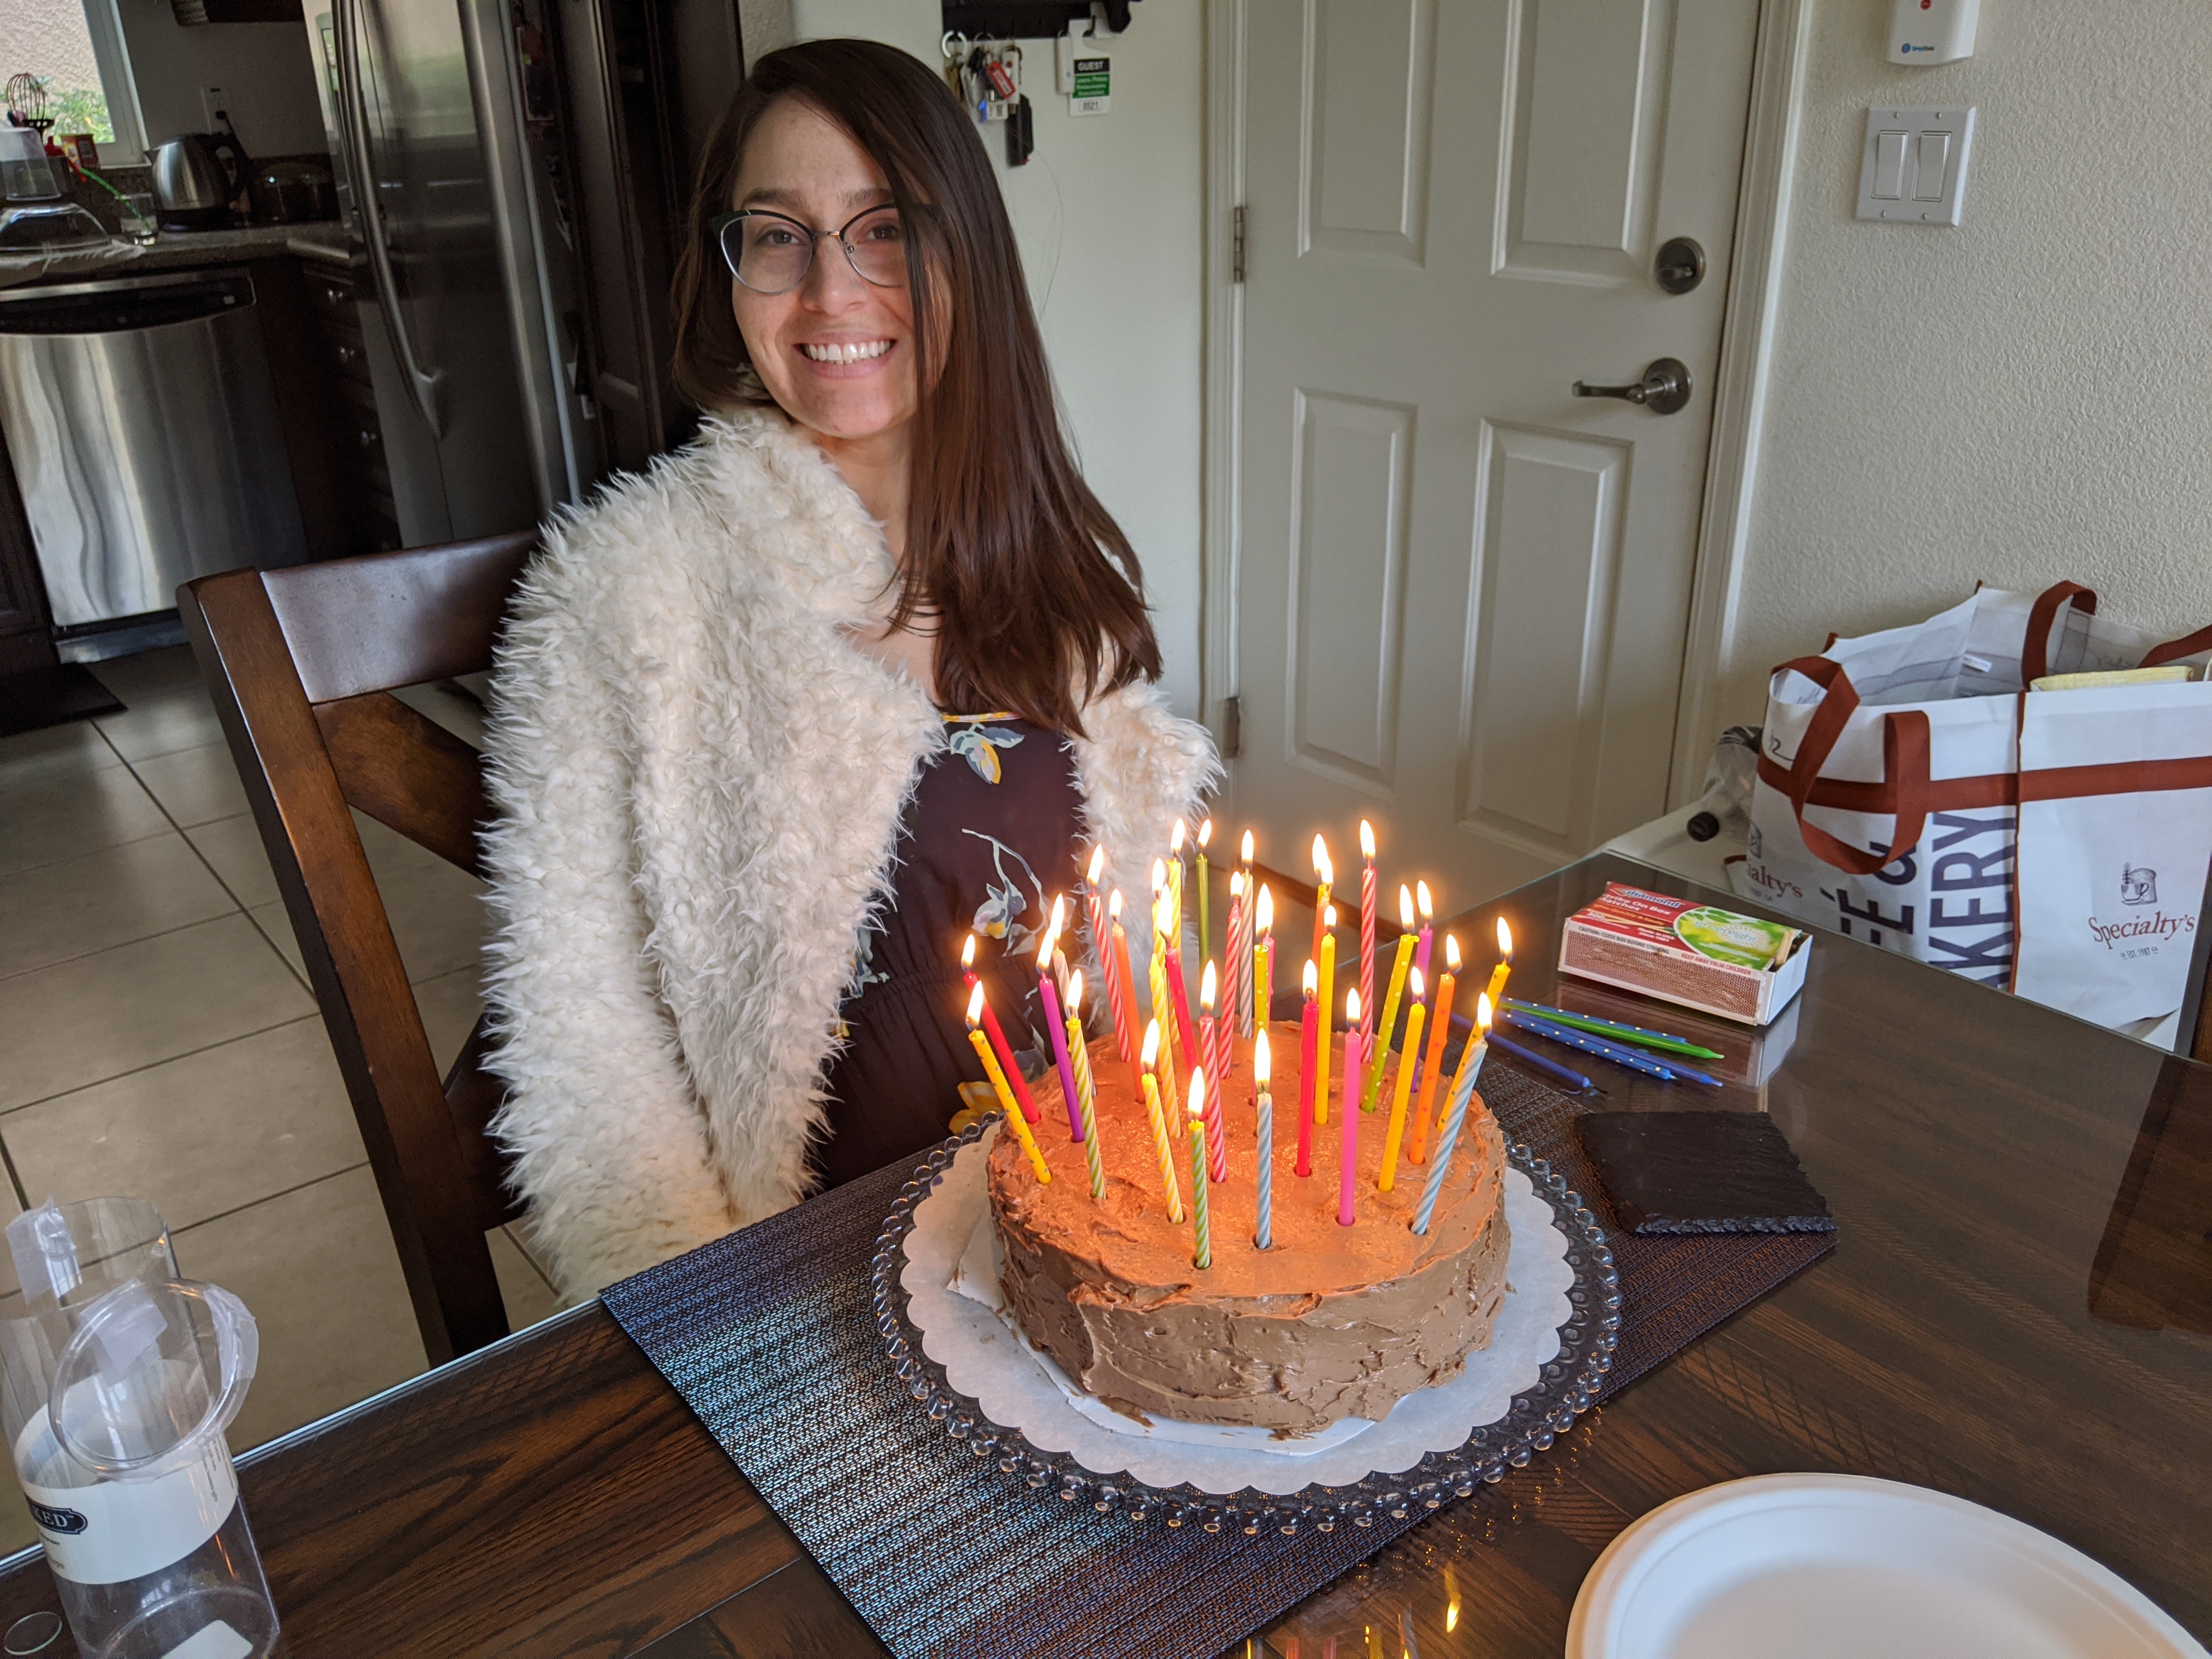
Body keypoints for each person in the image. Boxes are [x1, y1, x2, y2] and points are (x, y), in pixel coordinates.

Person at [480, 39, 1215, 1300]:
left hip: (1104, 1252)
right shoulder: (628, 590)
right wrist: (720, 1325)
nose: (831, 289)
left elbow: (1141, 951)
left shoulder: (1043, 561)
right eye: (779, 235)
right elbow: (581, 1046)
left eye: (885, 229)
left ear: (963, 261)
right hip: (819, 1292)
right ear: (731, 273)